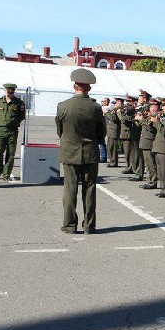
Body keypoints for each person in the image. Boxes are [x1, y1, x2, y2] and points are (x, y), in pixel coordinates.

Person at [56, 69, 106, 234]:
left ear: (74, 86)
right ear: (89, 89)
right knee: (89, 189)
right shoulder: (96, 107)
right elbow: (101, 133)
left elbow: (60, 131)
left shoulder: (63, 106)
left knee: (70, 189)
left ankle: (69, 225)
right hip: (90, 153)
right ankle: (89, 225)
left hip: (70, 152)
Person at [0, 82, 26, 180]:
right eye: (8, 92)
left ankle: (6, 174)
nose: (9, 94)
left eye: (11, 93)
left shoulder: (19, 103)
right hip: (0, 130)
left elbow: (21, 116)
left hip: (12, 131)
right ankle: (0, 168)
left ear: (14, 92)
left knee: (10, 154)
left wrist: (13, 123)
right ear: (5, 91)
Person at [118, 95, 143, 180]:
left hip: (136, 134)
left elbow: (127, 119)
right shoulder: (130, 110)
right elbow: (125, 119)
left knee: (137, 155)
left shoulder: (137, 109)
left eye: (129, 101)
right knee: (132, 154)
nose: (128, 103)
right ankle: (134, 170)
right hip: (133, 133)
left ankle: (137, 171)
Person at [138, 101, 159, 190]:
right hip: (145, 142)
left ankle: (152, 182)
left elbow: (151, 128)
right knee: (148, 164)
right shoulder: (149, 117)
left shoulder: (155, 118)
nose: (149, 111)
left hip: (149, 142)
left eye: (150, 110)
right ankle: (149, 180)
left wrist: (141, 119)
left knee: (151, 164)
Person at [104, 97, 122, 167]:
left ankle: (114, 162)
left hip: (114, 131)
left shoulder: (118, 110)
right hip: (111, 130)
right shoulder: (114, 110)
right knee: (109, 147)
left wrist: (107, 113)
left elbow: (113, 118)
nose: (115, 104)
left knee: (113, 147)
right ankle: (111, 160)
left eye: (117, 102)